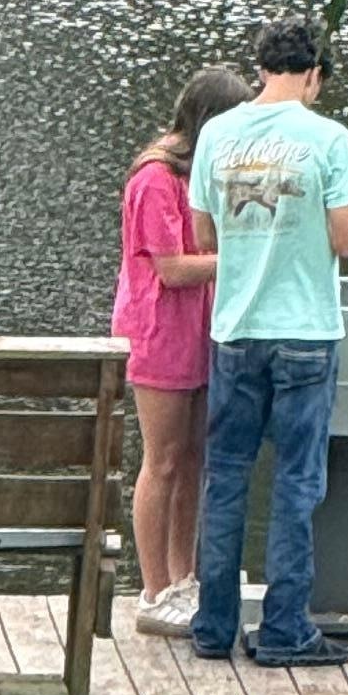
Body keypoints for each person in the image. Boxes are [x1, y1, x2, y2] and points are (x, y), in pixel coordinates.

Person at [187, 16, 348, 669]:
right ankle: (286, 629)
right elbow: (347, 238)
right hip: (306, 333)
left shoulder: (216, 133)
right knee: (297, 480)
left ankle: (212, 627)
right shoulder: (329, 138)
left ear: (261, 67)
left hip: (235, 330)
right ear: (315, 74)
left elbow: (205, 236)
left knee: (227, 476)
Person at [113, 58, 257, 634]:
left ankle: (184, 576)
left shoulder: (202, 170)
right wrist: (241, 258)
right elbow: (170, 268)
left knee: (194, 456)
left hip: (202, 326)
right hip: (159, 330)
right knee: (163, 457)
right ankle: (152, 591)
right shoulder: (154, 177)